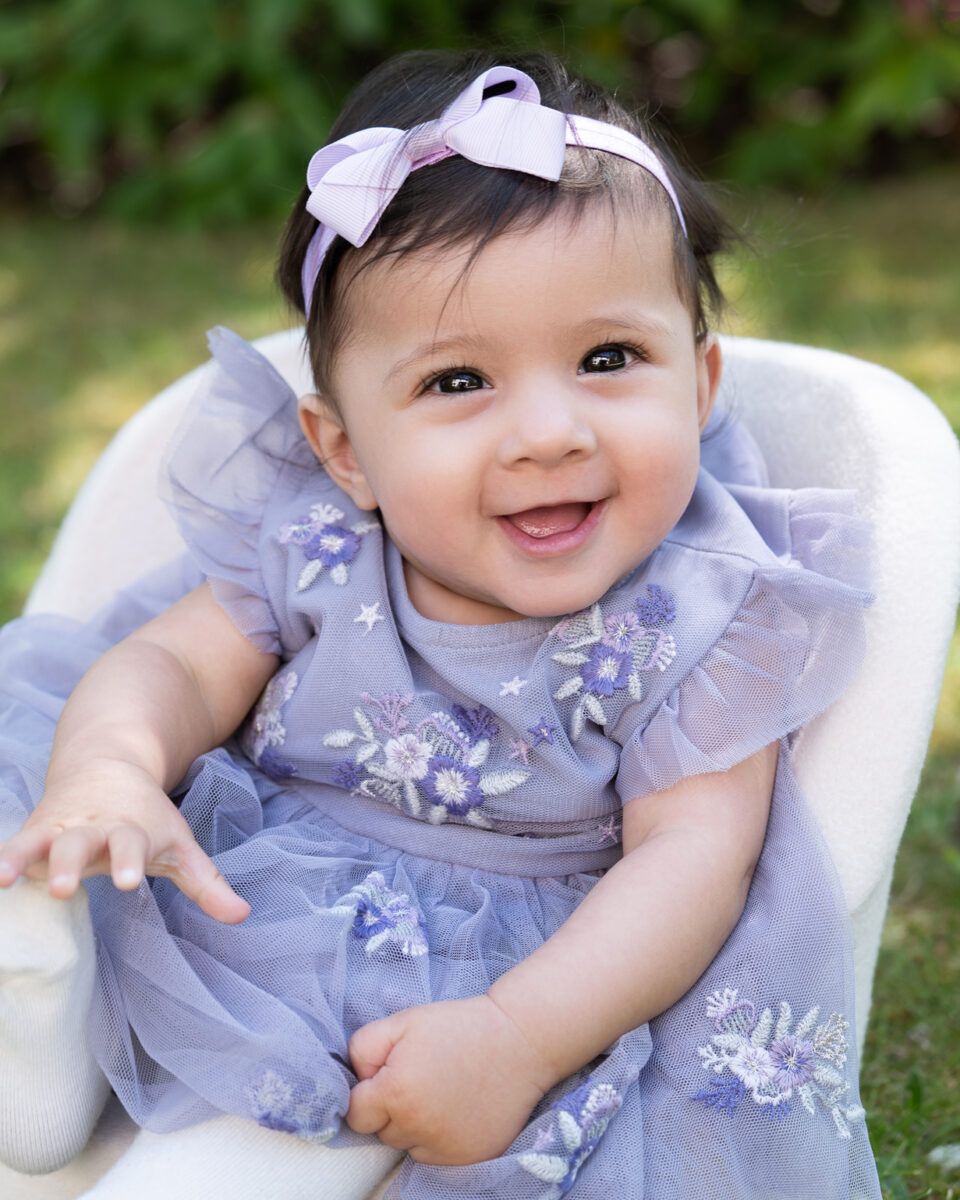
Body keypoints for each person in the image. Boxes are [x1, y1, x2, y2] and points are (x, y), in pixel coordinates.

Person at [0, 47, 882, 1200]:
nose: (548, 431)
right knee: (72, 813)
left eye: (609, 358)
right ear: (347, 453)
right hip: (233, 875)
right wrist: (109, 770)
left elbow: (693, 861)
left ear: (702, 386)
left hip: (513, 968)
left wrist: (517, 1038)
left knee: (296, 1144)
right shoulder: (321, 539)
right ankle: (49, 1022)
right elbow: (169, 664)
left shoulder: (707, 605)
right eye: (460, 382)